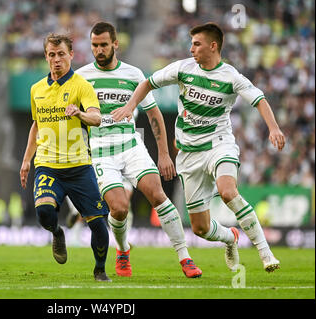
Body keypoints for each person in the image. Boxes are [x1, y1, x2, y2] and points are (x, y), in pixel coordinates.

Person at [112, 22, 285, 272]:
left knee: (227, 191)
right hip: (189, 154)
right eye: (191, 43)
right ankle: (231, 237)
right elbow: (147, 83)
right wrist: (130, 106)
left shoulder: (231, 77)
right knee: (200, 228)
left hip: (219, 144)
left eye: (196, 44)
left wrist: (274, 128)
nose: (191, 48)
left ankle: (265, 252)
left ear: (213, 46)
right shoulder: (183, 68)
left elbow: (259, 100)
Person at [76, 22, 202, 278]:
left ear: (115, 44)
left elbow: (153, 113)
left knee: (157, 195)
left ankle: (185, 257)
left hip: (132, 145)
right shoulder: (81, 77)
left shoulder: (134, 75)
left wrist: (164, 154)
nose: (98, 50)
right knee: (119, 209)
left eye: (103, 45)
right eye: (94, 45)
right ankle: (122, 250)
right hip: (101, 152)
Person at [19, 33, 111, 282]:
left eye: (61, 54)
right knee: (44, 213)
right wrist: (27, 159)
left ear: (71, 54)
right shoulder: (36, 89)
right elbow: (36, 125)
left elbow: (97, 118)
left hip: (80, 167)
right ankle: (57, 233)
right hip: (48, 166)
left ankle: (100, 269)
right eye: (52, 55)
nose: (56, 59)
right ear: (46, 57)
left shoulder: (82, 86)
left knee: (98, 224)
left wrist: (79, 113)